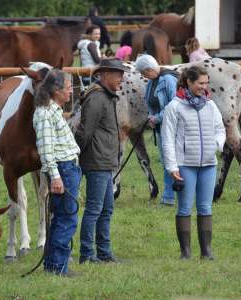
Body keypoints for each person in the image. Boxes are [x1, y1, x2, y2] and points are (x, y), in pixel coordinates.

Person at [161, 66, 226, 260]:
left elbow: (220, 128)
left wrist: (216, 145)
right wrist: (172, 167)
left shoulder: (210, 105)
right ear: (189, 82)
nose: (204, 87)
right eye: (200, 83)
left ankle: (206, 251)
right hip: (185, 165)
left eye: (206, 83)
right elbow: (167, 138)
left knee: (206, 207)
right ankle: (186, 252)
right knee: (185, 207)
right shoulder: (174, 107)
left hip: (208, 164)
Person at [75, 58, 130, 264]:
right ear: (105, 74)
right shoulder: (97, 98)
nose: (121, 80)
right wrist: (76, 157)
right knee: (94, 209)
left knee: (106, 209)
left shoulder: (106, 96)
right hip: (96, 162)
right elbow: (85, 132)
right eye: (118, 75)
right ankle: (87, 254)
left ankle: (104, 253)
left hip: (105, 162)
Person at [33, 69, 81, 276]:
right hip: (63, 169)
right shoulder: (45, 114)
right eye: (68, 88)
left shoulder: (52, 111)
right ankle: (58, 267)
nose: (71, 92)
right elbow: (46, 149)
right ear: (56, 90)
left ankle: (53, 265)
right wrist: (55, 176)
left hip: (67, 168)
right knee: (66, 218)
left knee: (62, 216)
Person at [135, 54, 179, 206]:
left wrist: (156, 118)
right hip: (161, 127)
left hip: (171, 127)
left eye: (143, 73)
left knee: (170, 162)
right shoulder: (152, 82)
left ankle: (169, 198)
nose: (143, 77)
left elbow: (175, 104)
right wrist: (151, 117)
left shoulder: (168, 80)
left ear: (149, 69)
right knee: (166, 161)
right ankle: (171, 196)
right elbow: (150, 104)